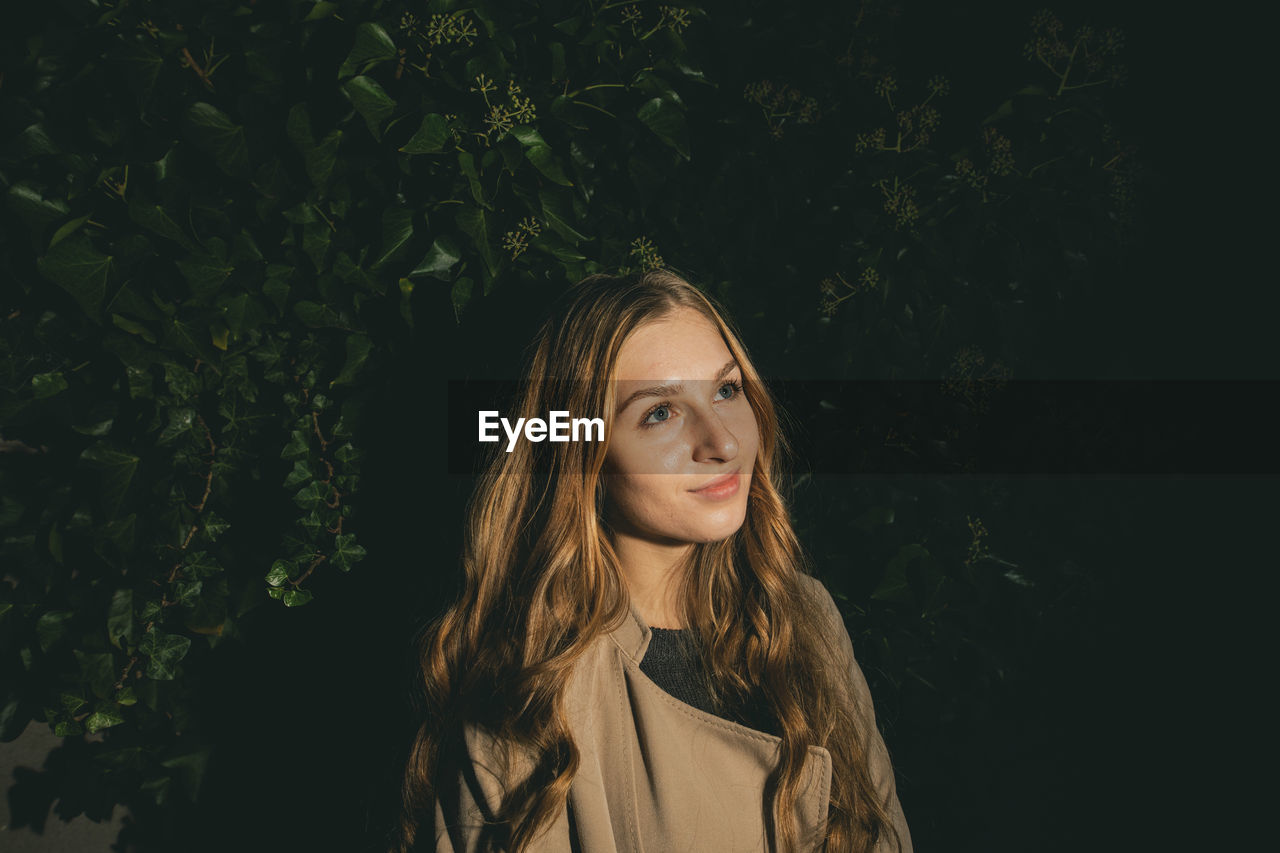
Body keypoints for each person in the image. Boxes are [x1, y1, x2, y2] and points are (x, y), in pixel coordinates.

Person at [395, 270, 912, 852]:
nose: (723, 442)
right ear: (581, 454)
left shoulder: (807, 616)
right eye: (660, 412)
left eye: (726, 390)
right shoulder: (532, 687)